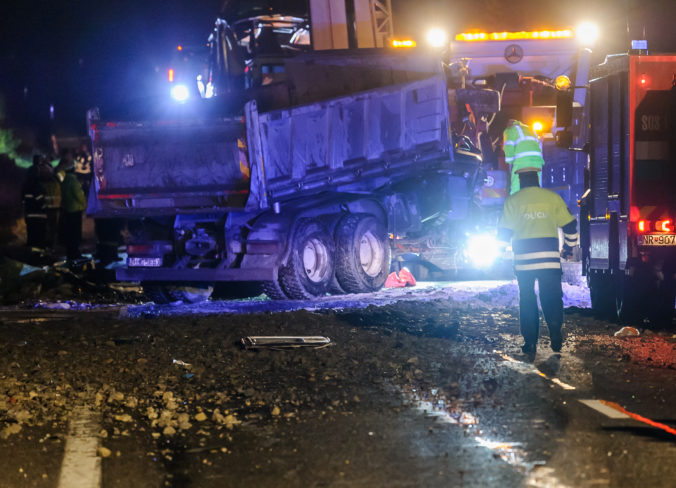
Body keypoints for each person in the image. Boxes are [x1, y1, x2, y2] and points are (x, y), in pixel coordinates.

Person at [497, 171, 578, 356]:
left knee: (527, 299)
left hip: (524, 264)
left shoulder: (513, 201)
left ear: (521, 181)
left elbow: (503, 234)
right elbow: (571, 226)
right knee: (551, 297)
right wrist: (568, 248)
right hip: (549, 262)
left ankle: (530, 342)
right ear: (537, 180)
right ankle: (555, 332)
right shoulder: (552, 198)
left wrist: (500, 253)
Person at [57, 150, 87, 262]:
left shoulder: (64, 180)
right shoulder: (73, 180)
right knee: (75, 235)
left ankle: (71, 253)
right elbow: (79, 195)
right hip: (75, 210)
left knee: (70, 235)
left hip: (67, 209)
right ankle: (75, 254)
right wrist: (84, 206)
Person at [502, 119, 545, 195]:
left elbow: (508, 148)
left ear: (508, 125)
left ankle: (515, 204)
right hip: (537, 161)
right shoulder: (530, 129)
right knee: (537, 185)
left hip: (522, 162)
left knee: (516, 187)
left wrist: (510, 161)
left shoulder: (509, 130)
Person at [21, 155, 50, 250]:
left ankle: (31, 254)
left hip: (29, 215)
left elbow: (23, 200)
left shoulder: (25, 185)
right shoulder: (37, 185)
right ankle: (39, 256)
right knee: (40, 237)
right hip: (39, 215)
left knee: (31, 236)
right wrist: (45, 207)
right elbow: (40, 200)